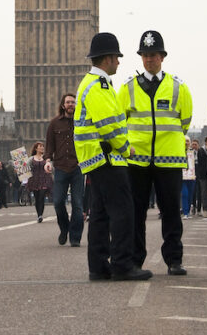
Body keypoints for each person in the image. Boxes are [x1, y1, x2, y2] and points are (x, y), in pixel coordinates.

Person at [76, 32, 151, 281]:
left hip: (96, 158)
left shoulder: (91, 83)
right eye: (117, 57)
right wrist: (124, 146)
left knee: (100, 213)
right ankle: (122, 264)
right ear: (107, 59)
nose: (119, 62)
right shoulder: (99, 85)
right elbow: (108, 124)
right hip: (107, 156)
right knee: (123, 211)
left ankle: (98, 266)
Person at [116, 30, 192, 276]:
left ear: (162, 57)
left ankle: (174, 260)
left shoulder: (179, 88)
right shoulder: (127, 88)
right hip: (136, 159)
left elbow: (185, 121)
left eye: (154, 55)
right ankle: (136, 260)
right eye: (145, 55)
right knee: (136, 212)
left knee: (171, 212)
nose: (149, 59)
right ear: (141, 58)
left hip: (168, 159)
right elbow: (120, 121)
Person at [45, 93, 85, 247]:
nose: (70, 104)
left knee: (78, 204)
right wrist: (48, 160)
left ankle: (75, 237)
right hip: (61, 167)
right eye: (68, 102)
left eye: (73, 102)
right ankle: (64, 228)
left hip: (78, 167)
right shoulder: (54, 123)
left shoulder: (82, 122)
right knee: (58, 201)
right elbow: (49, 145)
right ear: (63, 105)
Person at [27, 142, 51, 222]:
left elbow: (51, 168)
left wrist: (49, 168)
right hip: (34, 180)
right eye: (40, 146)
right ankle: (39, 215)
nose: (42, 148)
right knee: (37, 198)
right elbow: (26, 168)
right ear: (36, 148)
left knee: (41, 197)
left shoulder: (45, 158)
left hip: (44, 180)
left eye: (43, 147)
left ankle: (40, 215)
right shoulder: (31, 159)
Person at [181, 136, 197, 219]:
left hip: (191, 176)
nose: (186, 142)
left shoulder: (193, 152)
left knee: (190, 194)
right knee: (185, 194)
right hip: (182, 177)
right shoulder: (179, 151)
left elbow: (197, 163)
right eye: (185, 141)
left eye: (187, 141)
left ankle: (188, 212)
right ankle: (185, 212)